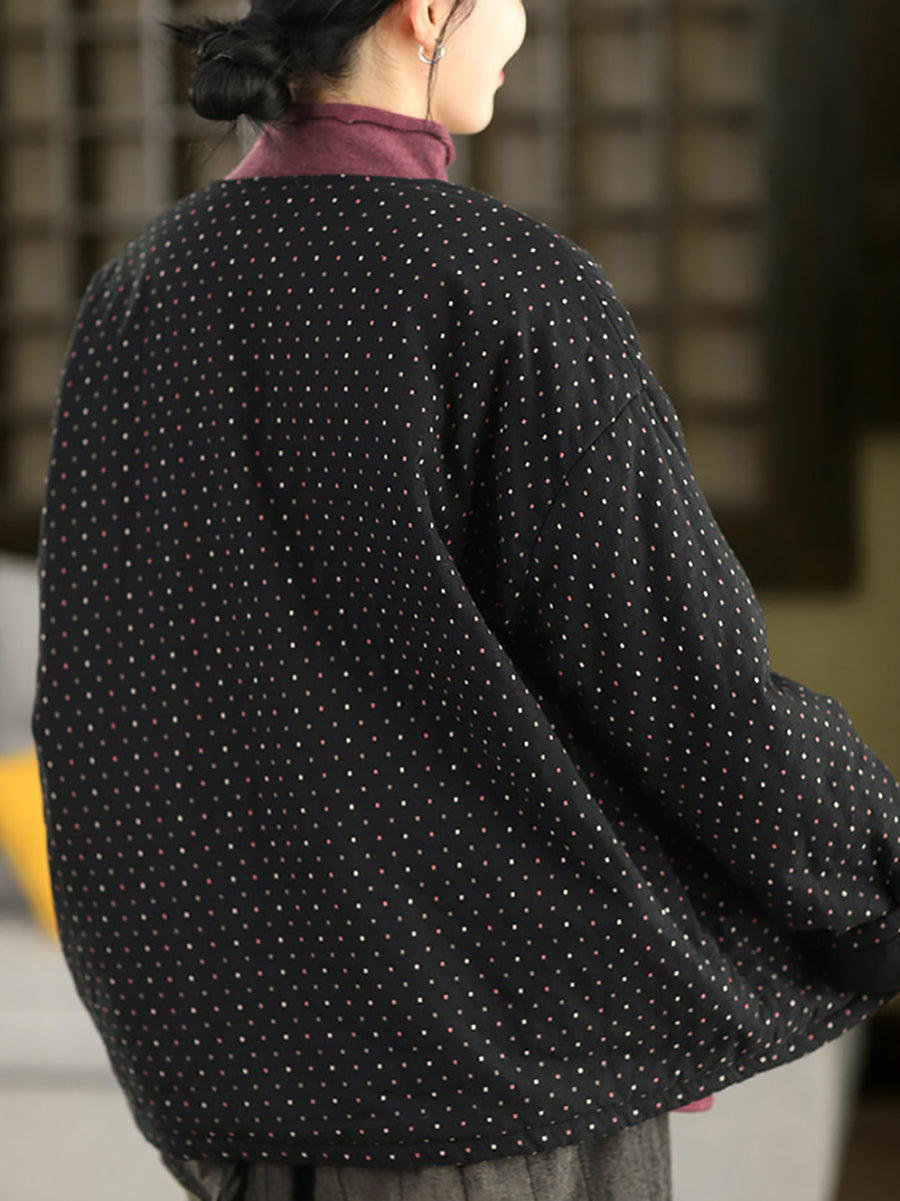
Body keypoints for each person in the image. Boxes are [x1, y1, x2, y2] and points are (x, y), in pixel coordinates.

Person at [32, 1, 900, 1199]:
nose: (521, 26)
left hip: (234, 1095)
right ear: (428, 10)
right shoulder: (504, 285)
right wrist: (869, 868)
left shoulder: (136, 294)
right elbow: (683, 686)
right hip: (482, 1087)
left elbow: (93, 712)